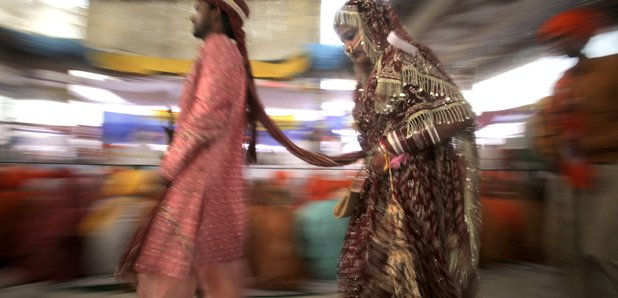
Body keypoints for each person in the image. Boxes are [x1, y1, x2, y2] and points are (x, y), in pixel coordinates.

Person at [331, 1, 480, 297]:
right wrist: (373, 155)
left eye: (351, 35)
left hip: (414, 191)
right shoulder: (367, 78)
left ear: (372, 25)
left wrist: (391, 145)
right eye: (343, 41)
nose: (348, 48)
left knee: (408, 275)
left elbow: (458, 111)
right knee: (368, 270)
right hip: (380, 191)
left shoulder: (407, 59)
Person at [116, 1, 251, 297]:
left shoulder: (218, 49)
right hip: (210, 184)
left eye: (197, 7)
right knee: (211, 273)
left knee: (167, 271)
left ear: (215, 12)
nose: (193, 15)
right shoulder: (227, 53)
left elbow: (207, 118)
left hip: (197, 184)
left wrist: (169, 166)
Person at [535, 8, 618, 297]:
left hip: (608, 171)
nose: (556, 45)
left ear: (581, 36)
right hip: (567, 177)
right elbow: (551, 127)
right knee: (570, 254)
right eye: (553, 41)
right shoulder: (562, 83)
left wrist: (592, 144)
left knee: (603, 251)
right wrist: (548, 146)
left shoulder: (612, 69)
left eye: (561, 38)